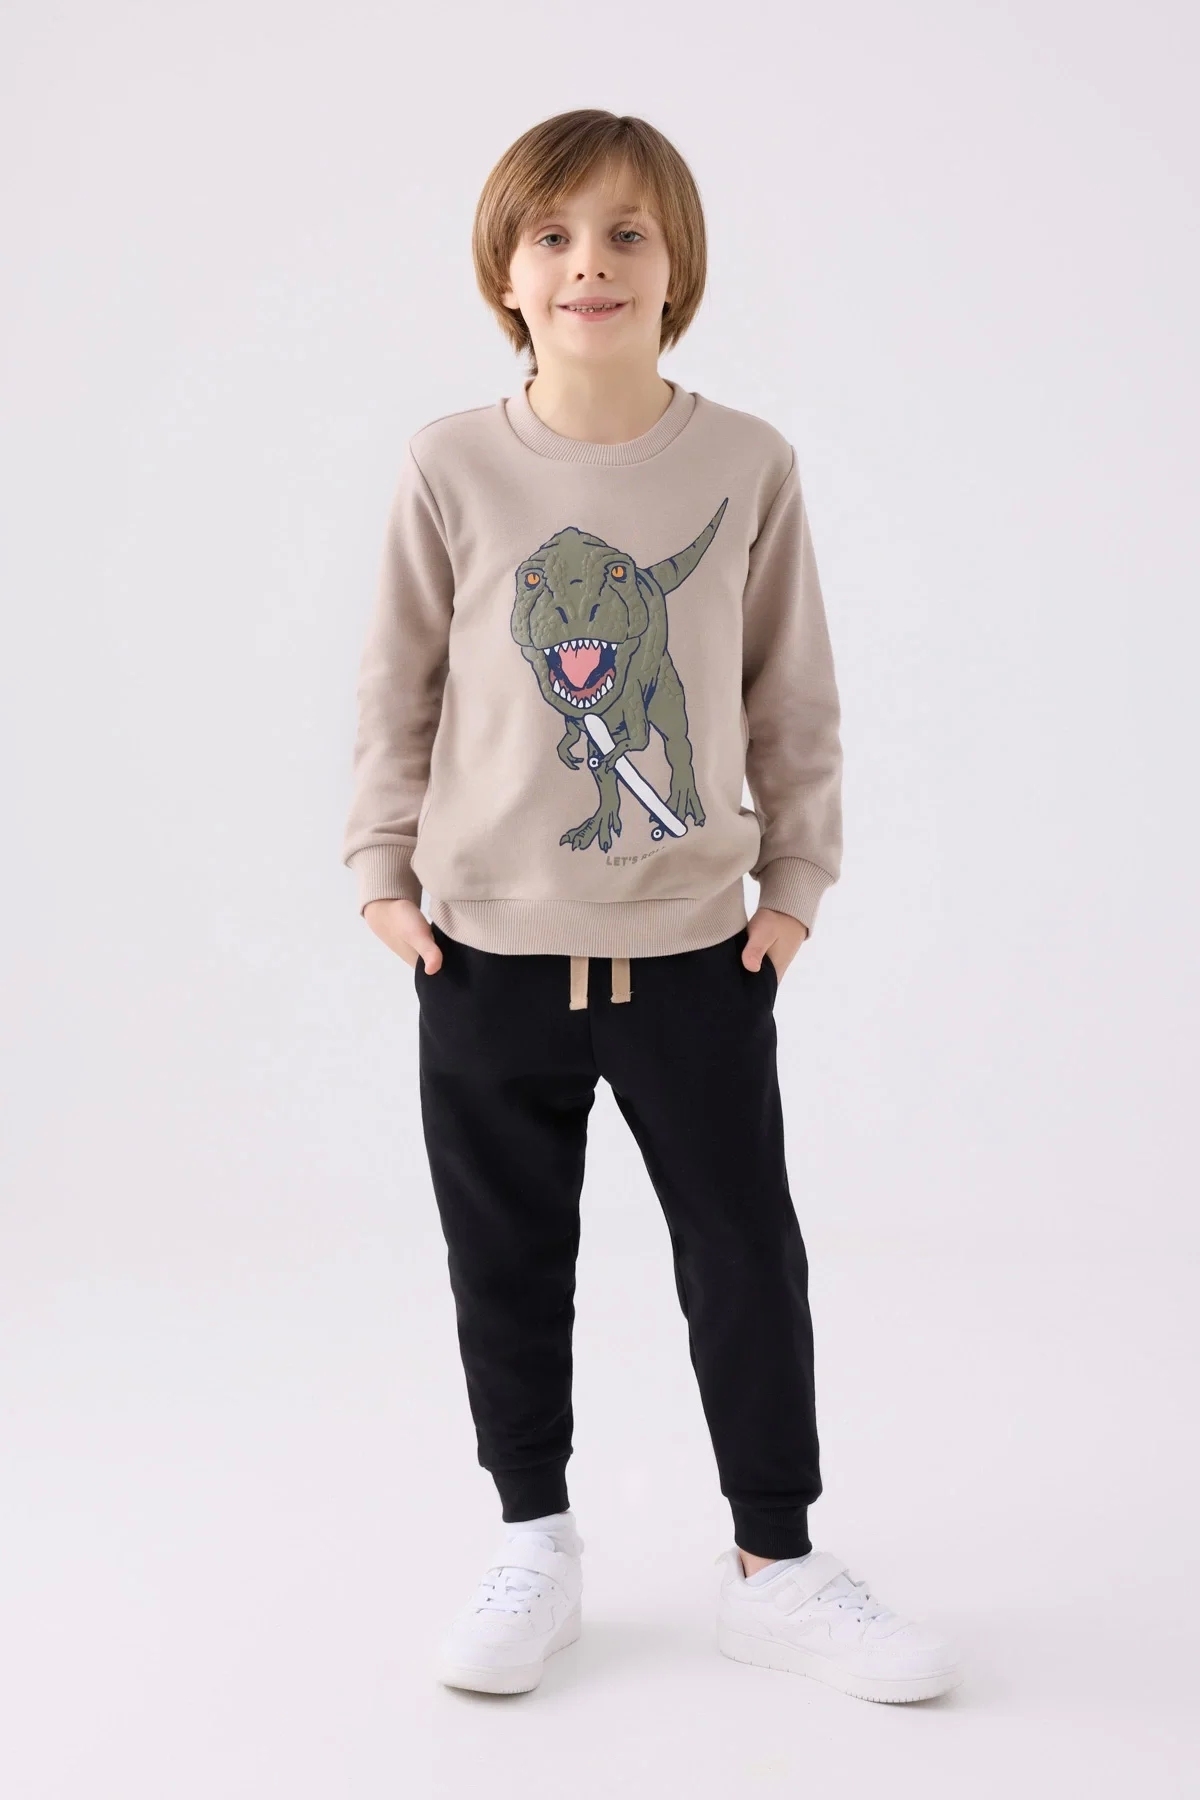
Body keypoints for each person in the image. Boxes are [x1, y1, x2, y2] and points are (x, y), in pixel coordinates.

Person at [341, 109, 962, 1706]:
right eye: (552, 236)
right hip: (484, 954)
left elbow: (790, 694)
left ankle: (777, 1562)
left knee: (744, 1254)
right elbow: (399, 685)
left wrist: (795, 888)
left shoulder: (747, 463)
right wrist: (382, 876)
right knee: (505, 1258)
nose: (589, 265)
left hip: (694, 953)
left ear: (677, 263)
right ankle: (532, 1542)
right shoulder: (451, 464)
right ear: (504, 271)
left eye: (626, 233)